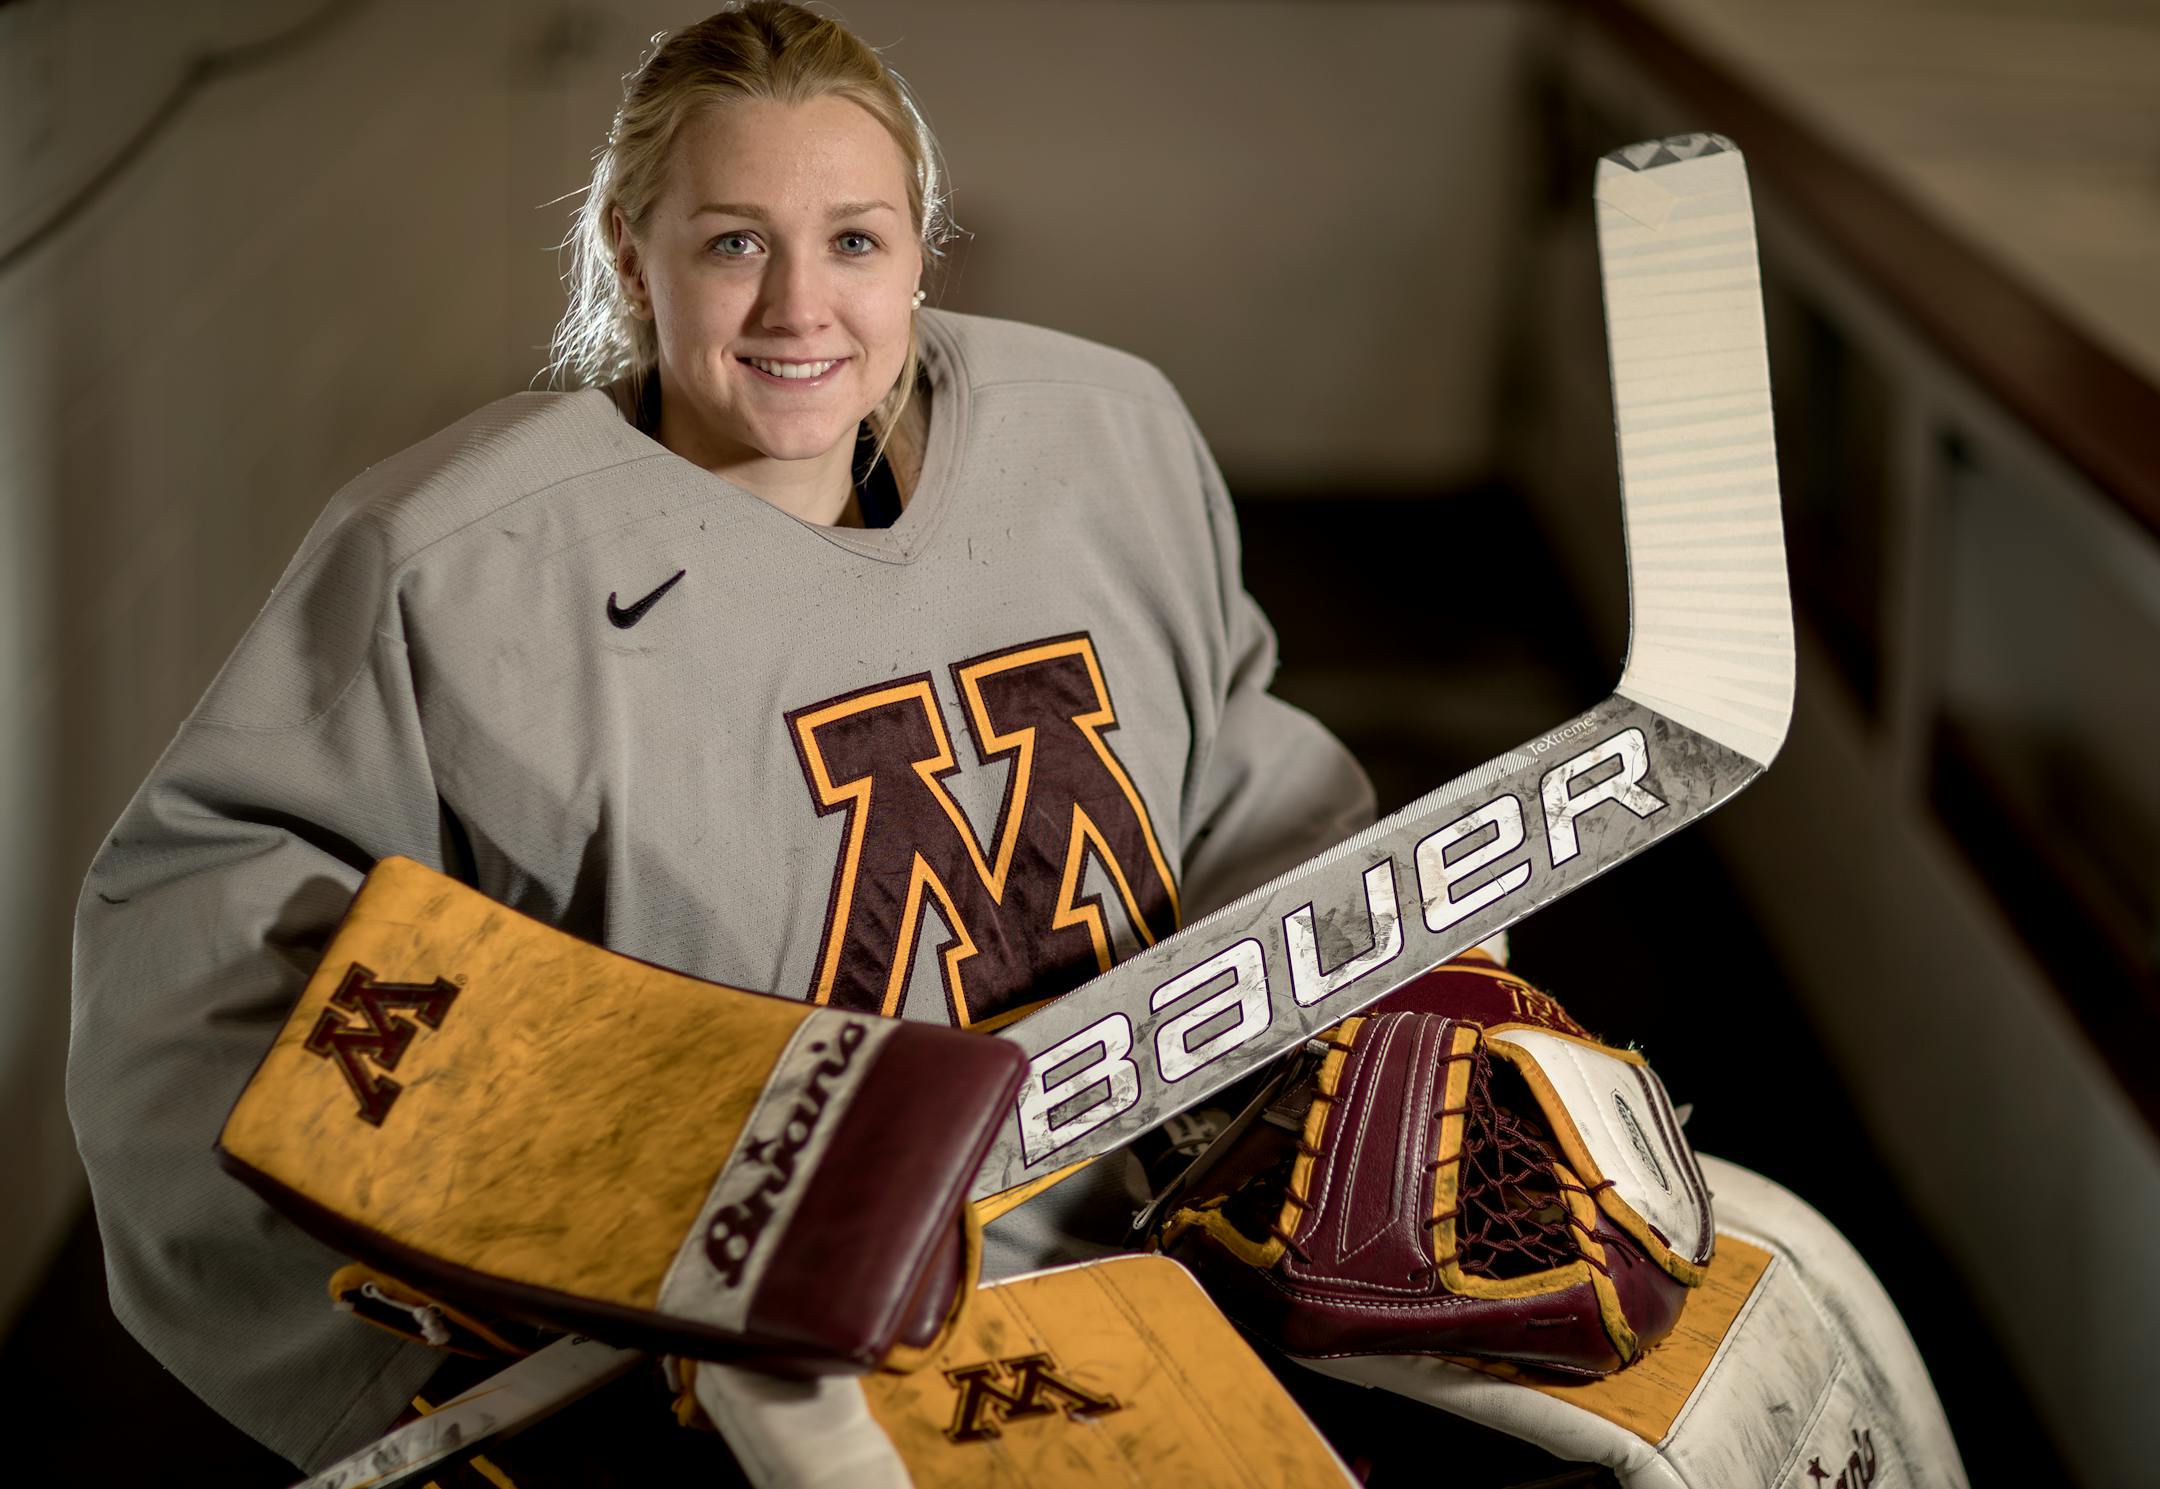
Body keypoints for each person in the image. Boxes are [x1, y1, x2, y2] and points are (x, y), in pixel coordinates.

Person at [66, 1, 1374, 1473]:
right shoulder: (455, 557)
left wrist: (1390, 979)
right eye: (735, 241)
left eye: (857, 241)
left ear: (924, 250)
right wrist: (467, 1343)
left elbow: (1233, 768)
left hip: (1147, 1291)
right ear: (633, 255)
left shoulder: (1107, 435)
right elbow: (196, 966)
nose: (800, 309)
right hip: (719, 1393)